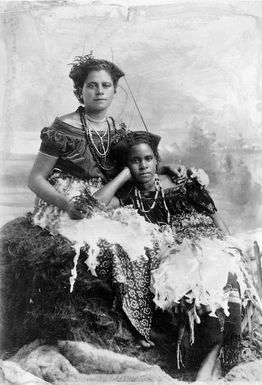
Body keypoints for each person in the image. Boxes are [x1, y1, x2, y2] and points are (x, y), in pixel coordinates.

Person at [0, 54, 188, 353]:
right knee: (104, 247)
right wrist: (66, 204)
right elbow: (35, 179)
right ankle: (128, 326)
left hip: (102, 199)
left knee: (141, 241)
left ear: (114, 90)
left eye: (105, 86)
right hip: (65, 200)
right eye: (91, 86)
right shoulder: (63, 128)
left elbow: (138, 161)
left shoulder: (117, 130)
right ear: (80, 91)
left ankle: (140, 323)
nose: (99, 91)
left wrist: (165, 169)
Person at [93, 130, 244, 370]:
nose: (143, 166)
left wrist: (231, 246)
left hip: (206, 243)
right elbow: (93, 206)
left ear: (157, 160)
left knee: (221, 275)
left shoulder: (181, 182)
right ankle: (205, 353)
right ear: (127, 165)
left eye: (148, 159)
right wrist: (124, 176)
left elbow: (214, 216)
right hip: (172, 255)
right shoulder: (129, 194)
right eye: (135, 161)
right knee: (192, 285)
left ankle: (222, 351)